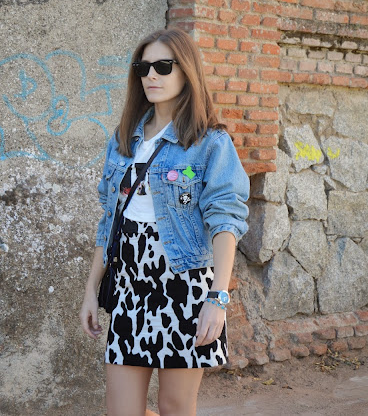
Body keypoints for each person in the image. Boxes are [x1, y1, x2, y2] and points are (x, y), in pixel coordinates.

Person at [79, 28, 249, 416]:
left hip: (185, 288)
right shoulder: (124, 139)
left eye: (163, 66)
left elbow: (225, 221)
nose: (151, 75)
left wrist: (217, 298)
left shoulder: (210, 142)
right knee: (121, 411)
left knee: (175, 407)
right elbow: (109, 222)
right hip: (129, 288)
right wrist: (91, 289)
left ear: (187, 71)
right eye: (143, 68)